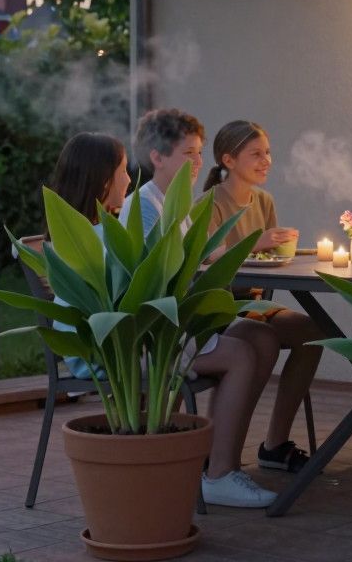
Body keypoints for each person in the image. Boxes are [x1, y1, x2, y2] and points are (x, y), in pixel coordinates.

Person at [45, 131, 281, 508]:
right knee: (241, 354)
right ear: (103, 178)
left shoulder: (104, 227)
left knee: (259, 335)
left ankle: (215, 461)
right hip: (111, 347)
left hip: (138, 334)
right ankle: (219, 475)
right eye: (122, 170)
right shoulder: (98, 234)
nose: (128, 178)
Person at [203, 120, 325, 476]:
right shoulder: (211, 203)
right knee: (264, 340)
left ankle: (275, 444)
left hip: (253, 301)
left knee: (313, 332)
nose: (266, 160)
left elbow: (268, 259)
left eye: (267, 152)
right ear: (229, 159)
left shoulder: (264, 201)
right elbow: (208, 257)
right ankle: (220, 450)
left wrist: (283, 247)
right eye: (256, 154)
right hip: (219, 304)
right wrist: (259, 242)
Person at [119, 108, 205, 234]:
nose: (199, 162)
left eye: (199, 153)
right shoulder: (142, 207)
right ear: (157, 158)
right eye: (189, 152)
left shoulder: (178, 204)